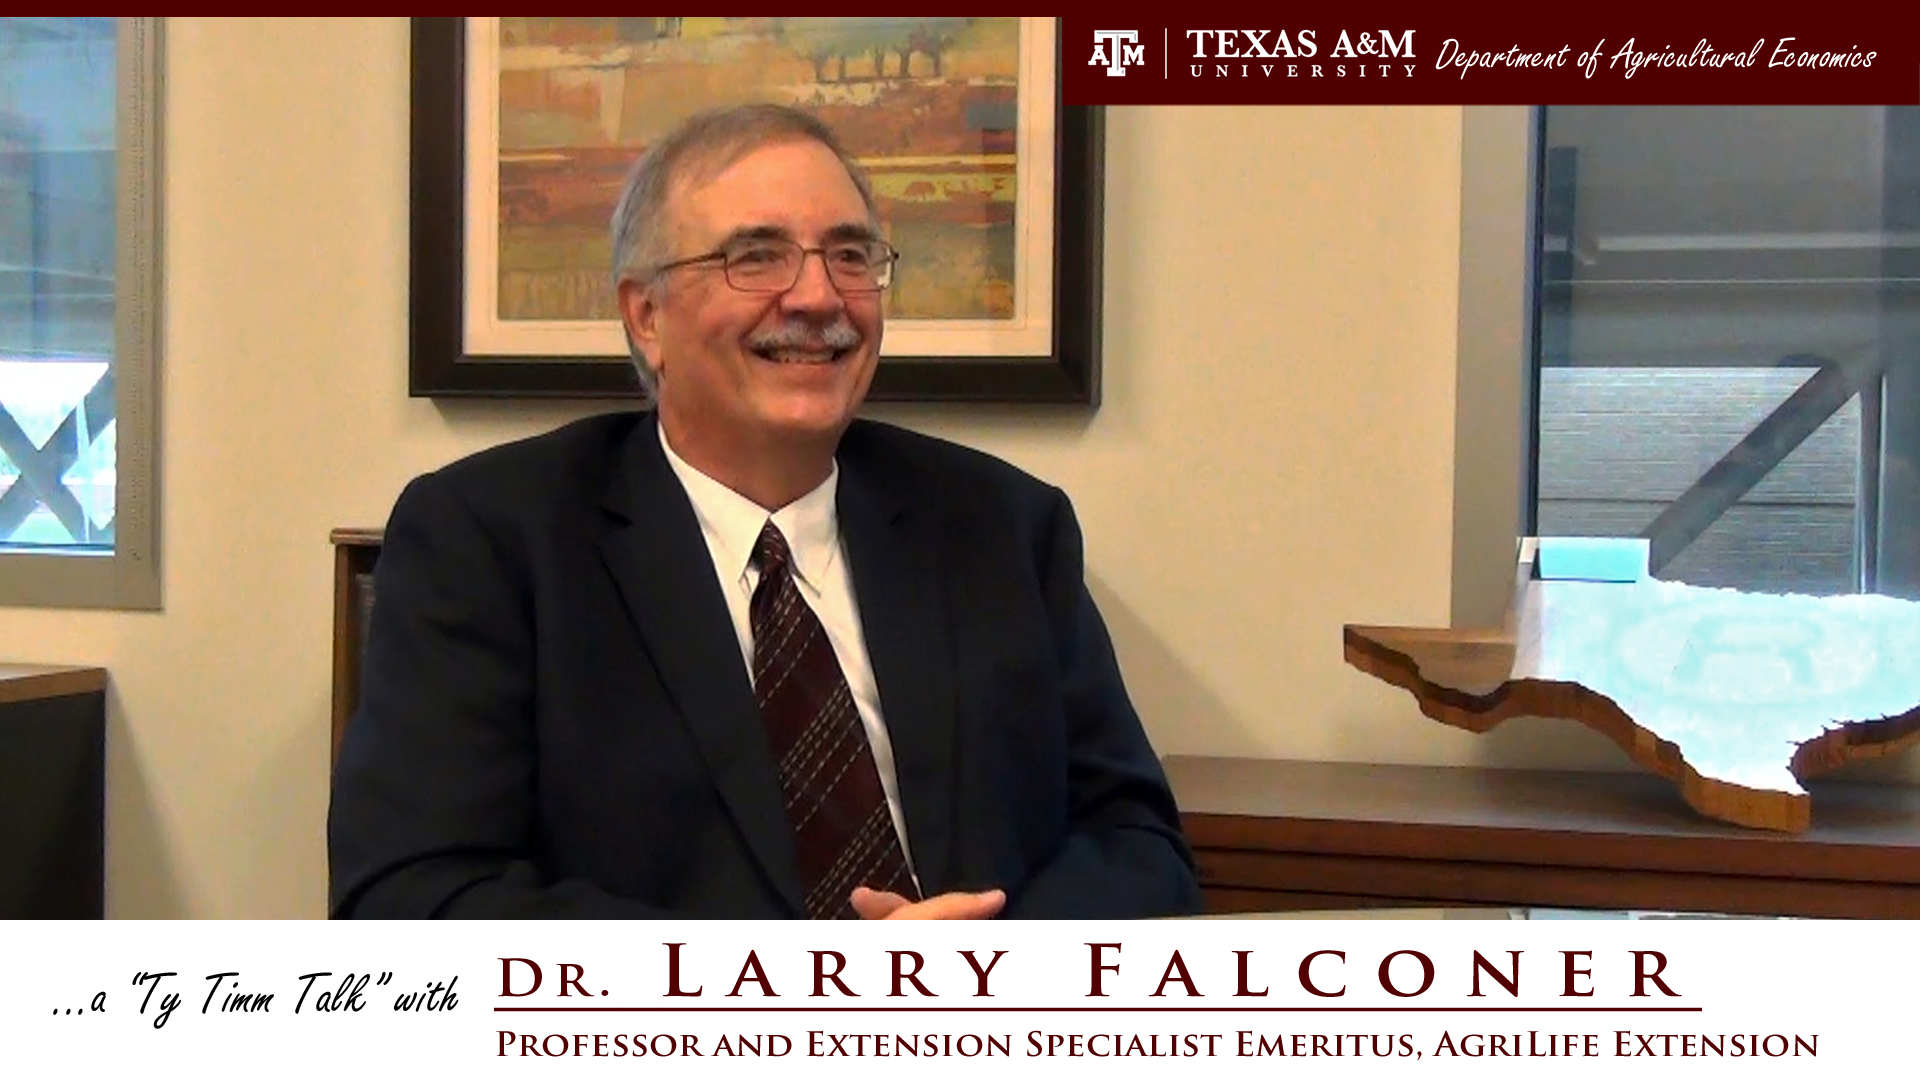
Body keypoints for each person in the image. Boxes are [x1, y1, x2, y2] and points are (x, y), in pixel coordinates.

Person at [327, 104, 1199, 919]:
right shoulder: (489, 540)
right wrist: (790, 989)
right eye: (757, 256)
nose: (819, 298)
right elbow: (412, 896)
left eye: (852, 255)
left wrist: (987, 965)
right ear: (646, 317)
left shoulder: (1005, 526)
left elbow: (1137, 844)